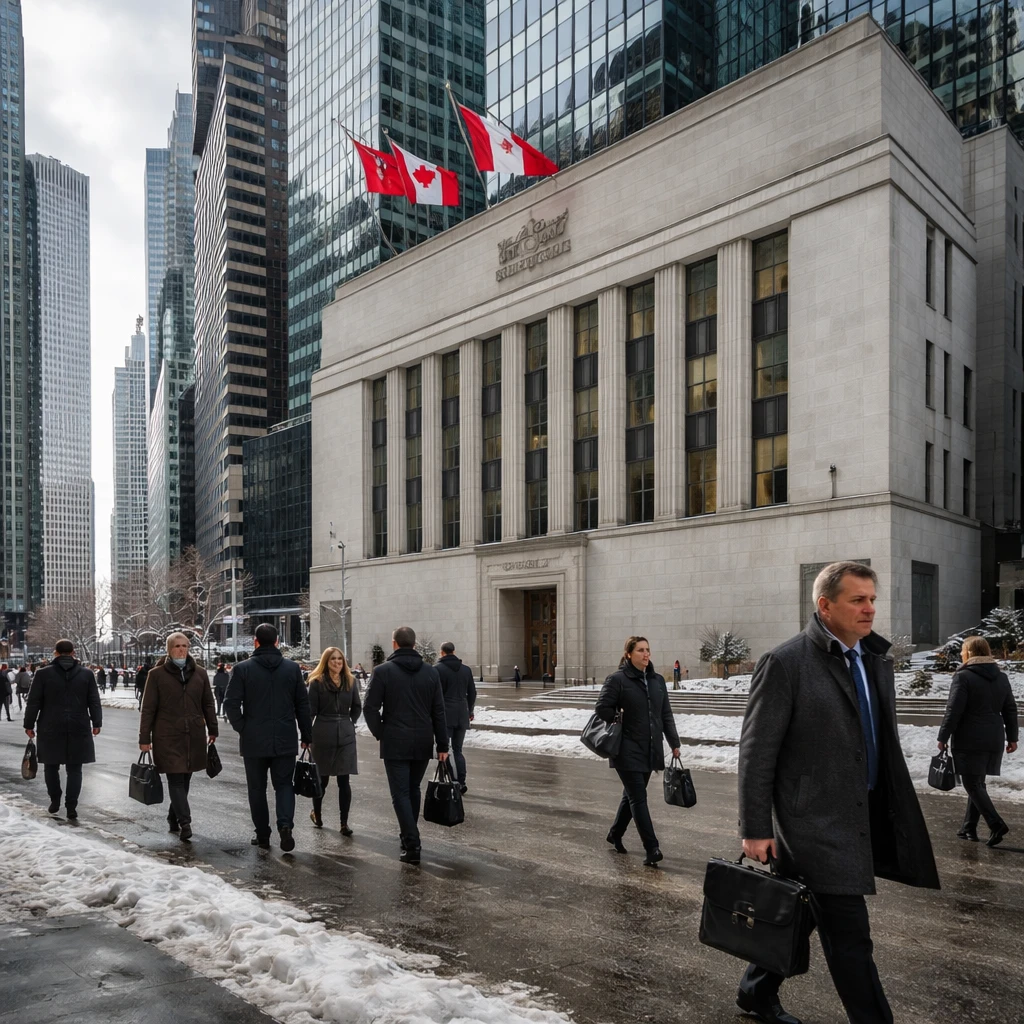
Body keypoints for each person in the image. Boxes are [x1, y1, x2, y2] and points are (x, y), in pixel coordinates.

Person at [736, 561, 939, 1024]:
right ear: (825, 606)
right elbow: (756, 752)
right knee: (851, 937)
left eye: (872, 599)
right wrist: (754, 827)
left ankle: (755, 989)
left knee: (802, 913)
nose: (869, 609)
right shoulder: (785, 663)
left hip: (861, 814)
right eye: (858, 600)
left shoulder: (873, 659)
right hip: (811, 826)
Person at [363, 626, 449, 864]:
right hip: (422, 740)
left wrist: (382, 733)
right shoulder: (431, 673)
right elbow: (439, 712)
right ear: (414, 644)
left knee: (400, 793)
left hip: (395, 741)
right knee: (412, 790)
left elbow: (369, 708)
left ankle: (412, 842)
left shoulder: (383, 672)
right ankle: (407, 836)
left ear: (394, 644)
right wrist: (443, 745)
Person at [224, 622, 312, 852]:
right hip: (284, 738)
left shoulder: (242, 669)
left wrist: (243, 727)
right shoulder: (292, 669)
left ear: (255, 641)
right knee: (284, 785)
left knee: (257, 789)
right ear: (276, 642)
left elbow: (230, 704)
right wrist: (306, 734)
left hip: (253, 740)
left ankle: (262, 834)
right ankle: (285, 826)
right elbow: (303, 704)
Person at [595, 636, 681, 867]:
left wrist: (674, 743)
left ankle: (615, 833)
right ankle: (652, 848)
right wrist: (618, 718)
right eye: (641, 650)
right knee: (638, 798)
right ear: (629, 654)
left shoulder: (657, 681)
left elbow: (665, 714)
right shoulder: (617, 680)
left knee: (631, 795)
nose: (646, 654)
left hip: (649, 749)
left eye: (648, 650)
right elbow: (602, 708)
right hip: (625, 749)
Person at [937, 635, 1018, 847]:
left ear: (969, 653)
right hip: (993, 737)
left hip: (969, 737)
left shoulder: (963, 676)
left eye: (964, 650)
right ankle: (968, 828)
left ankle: (996, 823)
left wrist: (943, 736)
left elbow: (954, 710)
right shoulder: (1001, 677)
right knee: (977, 783)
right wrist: (1013, 737)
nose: (962, 653)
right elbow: (1010, 709)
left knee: (972, 783)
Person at [139, 633, 219, 842]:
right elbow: (148, 709)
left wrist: (213, 729)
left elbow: (208, 704)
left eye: (184, 646)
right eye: (177, 646)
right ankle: (186, 823)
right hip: (167, 735)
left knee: (185, 779)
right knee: (175, 778)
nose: (181, 650)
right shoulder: (156, 675)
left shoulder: (199, 674)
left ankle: (173, 817)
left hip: (193, 735)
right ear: (169, 649)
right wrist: (144, 738)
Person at [23, 639, 102, 820]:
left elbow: (34, 702)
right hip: (79, 725)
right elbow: (94, 701)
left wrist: (29, 724)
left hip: (50, 726)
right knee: (75, 769)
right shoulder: (87, 674)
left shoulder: (43, 674)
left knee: (51, 767)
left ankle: (55, 800)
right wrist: (97, 722)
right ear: (73, 652)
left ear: (55, 653)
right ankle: (71, 806)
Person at [307, 646, 361, 834]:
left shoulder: (351, 682)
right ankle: (318, 814)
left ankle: (344, 823)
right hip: (323, 733)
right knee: (322, 780)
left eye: (340, 659)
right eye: (333, 659)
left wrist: (349, 722)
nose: (337, 662)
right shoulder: (316, 682)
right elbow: (310, 711)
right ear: (326, 662)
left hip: (345, 734)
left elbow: (357, 707)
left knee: (344, 780)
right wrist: (306, 735)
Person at [436, 641, 477, 794]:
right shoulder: (466, 670)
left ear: (442, 652)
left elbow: (436, 695)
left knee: (443, 749)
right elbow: (472, 693)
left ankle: (451, 780)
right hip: (462, 713)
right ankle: (461, 781)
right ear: (454, 651)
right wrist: (470, 711)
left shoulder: (438, 669)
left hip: (445, 715)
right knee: (458, 750)